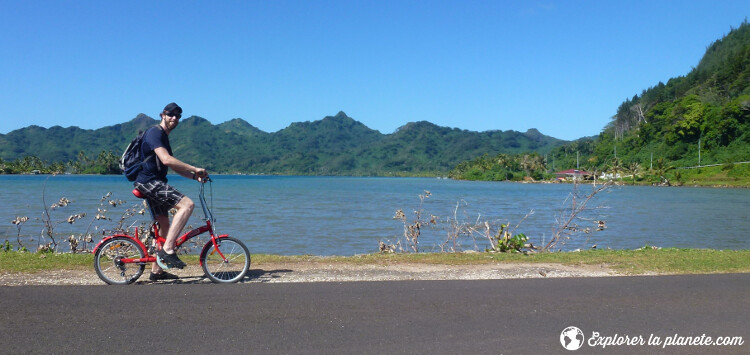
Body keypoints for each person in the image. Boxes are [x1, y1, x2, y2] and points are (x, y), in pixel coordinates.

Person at [134, 102, 208, 281]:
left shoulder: (163, 137)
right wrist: (195, 167)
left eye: (178, 116)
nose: (174, 118)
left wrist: (193, 176)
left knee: (164, 228)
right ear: (162, 115)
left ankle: (156, 272)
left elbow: (173, 166)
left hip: (154, 182)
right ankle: (168, 250)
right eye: (171, 114)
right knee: (187, 205)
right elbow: (167, 160)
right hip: (149, 183)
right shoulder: (154, 133)